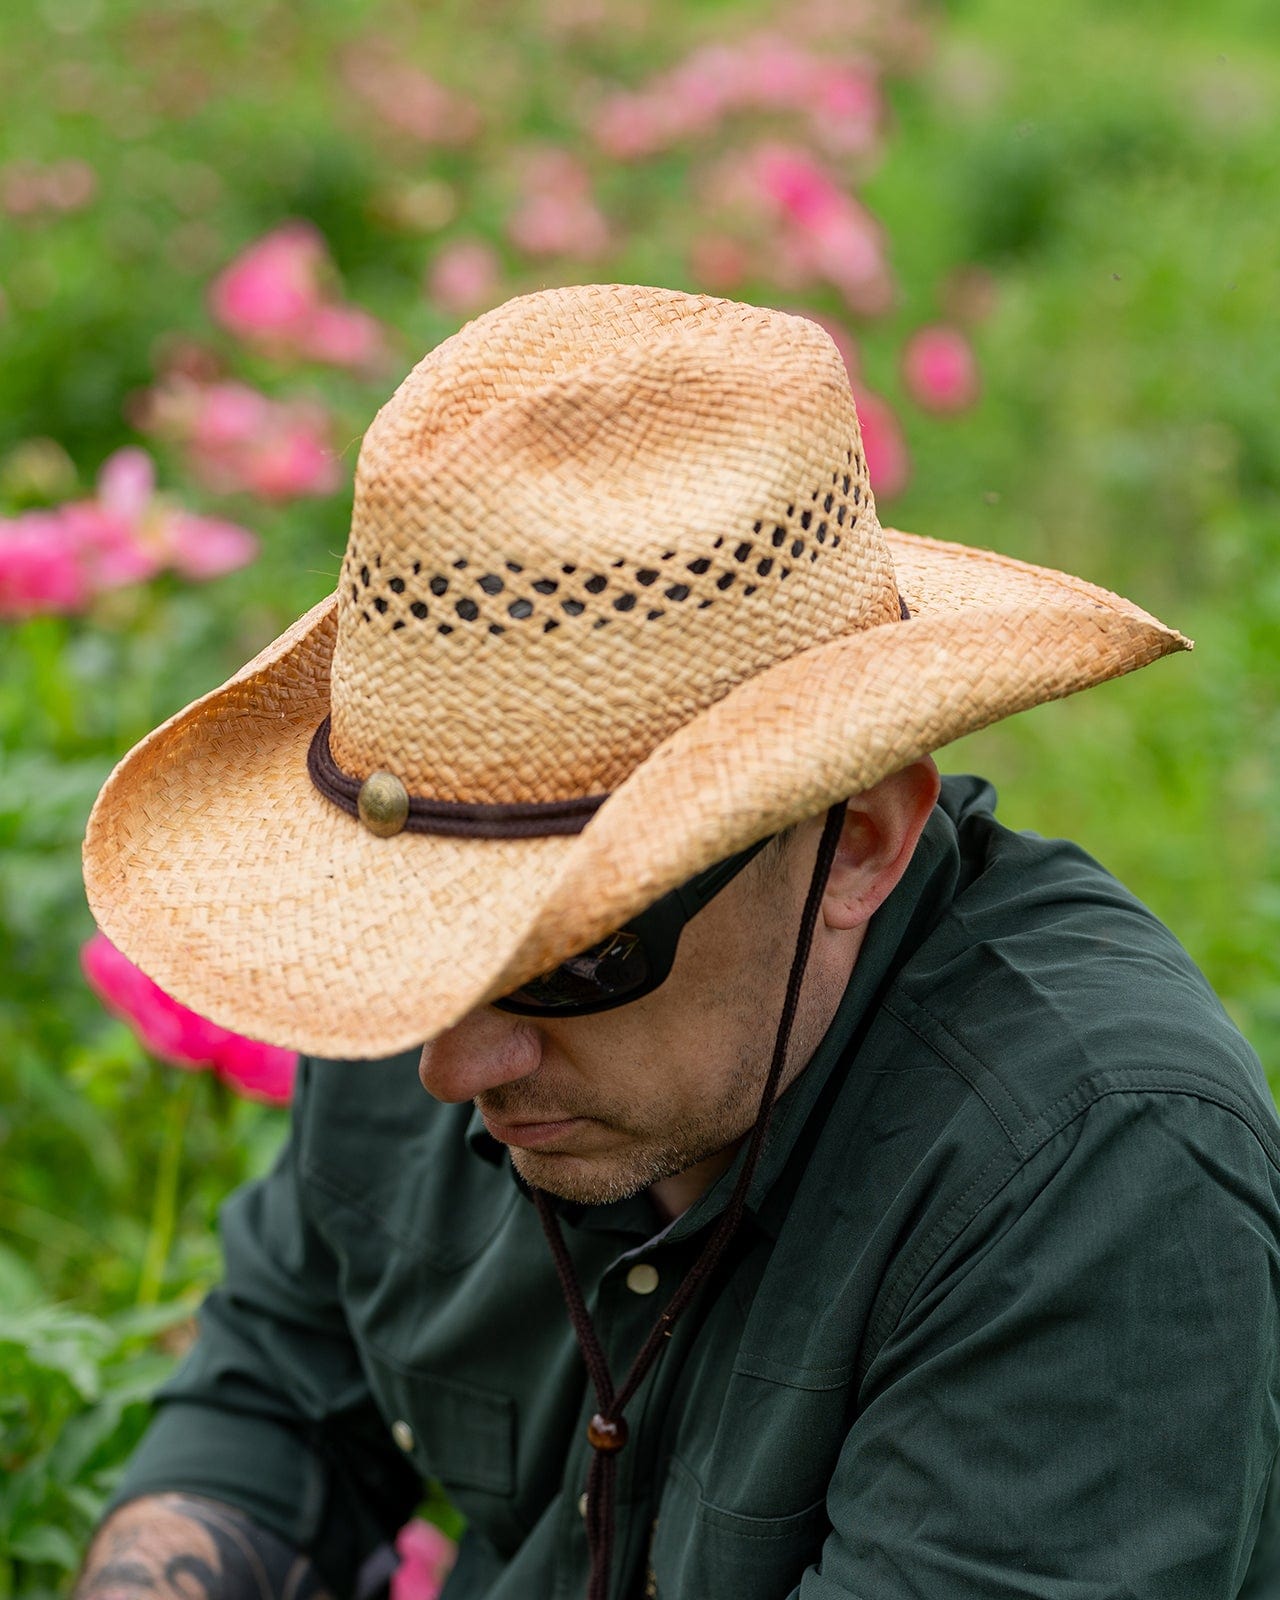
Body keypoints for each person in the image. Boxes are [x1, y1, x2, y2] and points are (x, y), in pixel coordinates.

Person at [78, 285, 1280, 1600]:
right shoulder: (442, 1011)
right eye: (427, 949)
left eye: (573, 946)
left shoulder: (1088, 1167)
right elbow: (275, 1398)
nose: (455, 1062)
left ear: (860, 839)